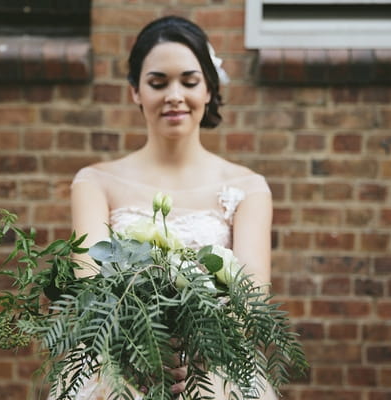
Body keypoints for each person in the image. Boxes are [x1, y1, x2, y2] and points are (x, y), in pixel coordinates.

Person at [69, 15, 276, 400]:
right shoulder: (94, 183)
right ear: (135, 91)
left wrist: (193, 347)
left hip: (214, 369)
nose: (174, 95)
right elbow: (89, 290)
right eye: (157, 83)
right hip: (118, 367)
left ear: (209, 89)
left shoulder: (248, 189)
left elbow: (253, 300)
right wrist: (144, 347)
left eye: (189, 81)